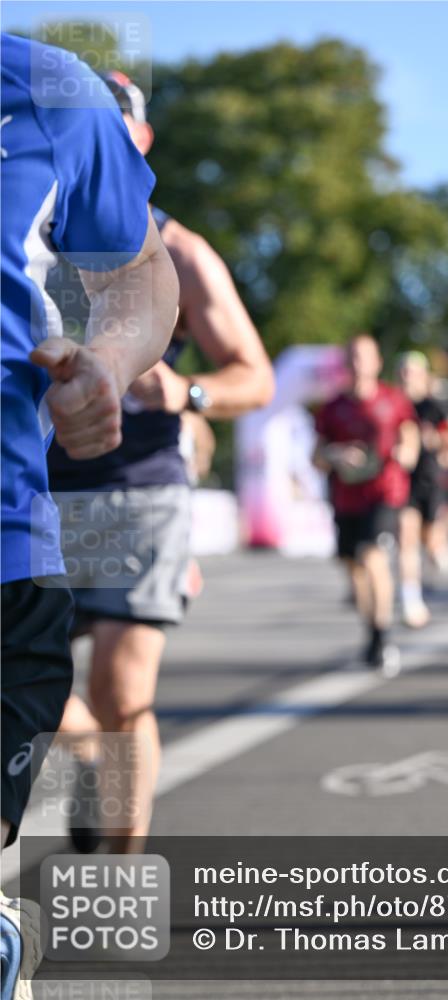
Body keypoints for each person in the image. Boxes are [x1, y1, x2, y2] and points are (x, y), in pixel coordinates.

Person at [46, 71, 274, 854]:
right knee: (31, 686)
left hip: (137, 491)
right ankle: (85, 753)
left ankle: (119, 871)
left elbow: (255, 375)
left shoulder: (179, 249)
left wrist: (187, 392)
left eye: (111, 133)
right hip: (35, 491)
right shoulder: (25, 236)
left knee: (121, 692)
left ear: (139, 144)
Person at [1, 32, 179, 993]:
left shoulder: (45, 91)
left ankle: (117, 867)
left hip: (121, 492)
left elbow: (147, 282)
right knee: (95, 701)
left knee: (121, 687)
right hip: (69, 489)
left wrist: (116, 370)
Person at [313, 334, 419, 671]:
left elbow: (410, 437)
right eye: (353, 356)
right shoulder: (333, 407)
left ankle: (381, 634)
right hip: (346, 496)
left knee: (373, 556)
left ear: (377, 362)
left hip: (385, 491)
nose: (358, 363)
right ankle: (371, 627)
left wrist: (406, 453)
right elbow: (317, 456)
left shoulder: (393, 400)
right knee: (353, 565)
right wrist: (337, 454)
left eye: (364, 356)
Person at [395, 352, 448, 627]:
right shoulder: (393, 404)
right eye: (403, 372)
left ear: (423, 375)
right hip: (401, 480)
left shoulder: (435, 404)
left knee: (430, 541)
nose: (407, 378)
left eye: (413, 372)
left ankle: (438, 552)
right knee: (406, 538)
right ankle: (411, 600)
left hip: (430, 478)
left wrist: (435, 440)